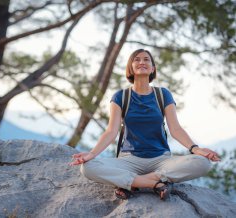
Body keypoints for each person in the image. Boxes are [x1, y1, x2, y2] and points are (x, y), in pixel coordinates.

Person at [69, 49, 220, 200]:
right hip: (129, 160)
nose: (142, 62)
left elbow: (175, 129)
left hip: (161, 161)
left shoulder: (163, 94)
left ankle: (135, 182)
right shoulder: (121, 97)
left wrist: (196, 149)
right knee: (88, 167)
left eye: (147, 59)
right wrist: (92, 154)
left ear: (153, 68)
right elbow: (111, 131)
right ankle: (155, 184)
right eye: (137, 59)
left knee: (202, 163)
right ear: (131, 68)